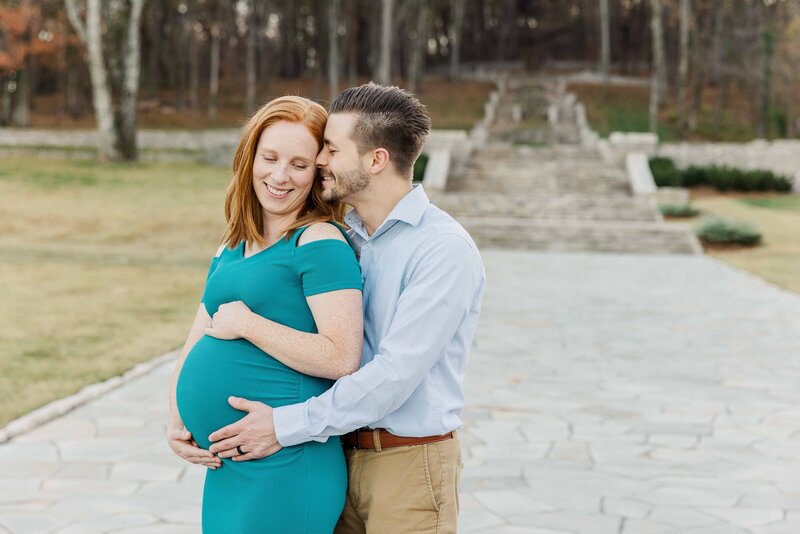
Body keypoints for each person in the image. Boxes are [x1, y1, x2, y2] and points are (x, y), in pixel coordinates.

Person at [207, 83, 486, 533]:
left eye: (332, 150)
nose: (320, 160)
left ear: (375, 160)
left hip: (406, 465)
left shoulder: (442, 249)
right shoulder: (347, 236)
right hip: (334, 455)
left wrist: (285, 425)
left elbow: (392, 376)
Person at [166, 95, 364, 533]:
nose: (279, 176)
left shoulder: (319, 241)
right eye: (269, 157)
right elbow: (199, 331)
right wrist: (177, 416)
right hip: (229, 466)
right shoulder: (232, 243)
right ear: (249, 157)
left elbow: (342, 357)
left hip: (285, 464)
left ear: (318, 172)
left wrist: (250, 325)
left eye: (298, 164)